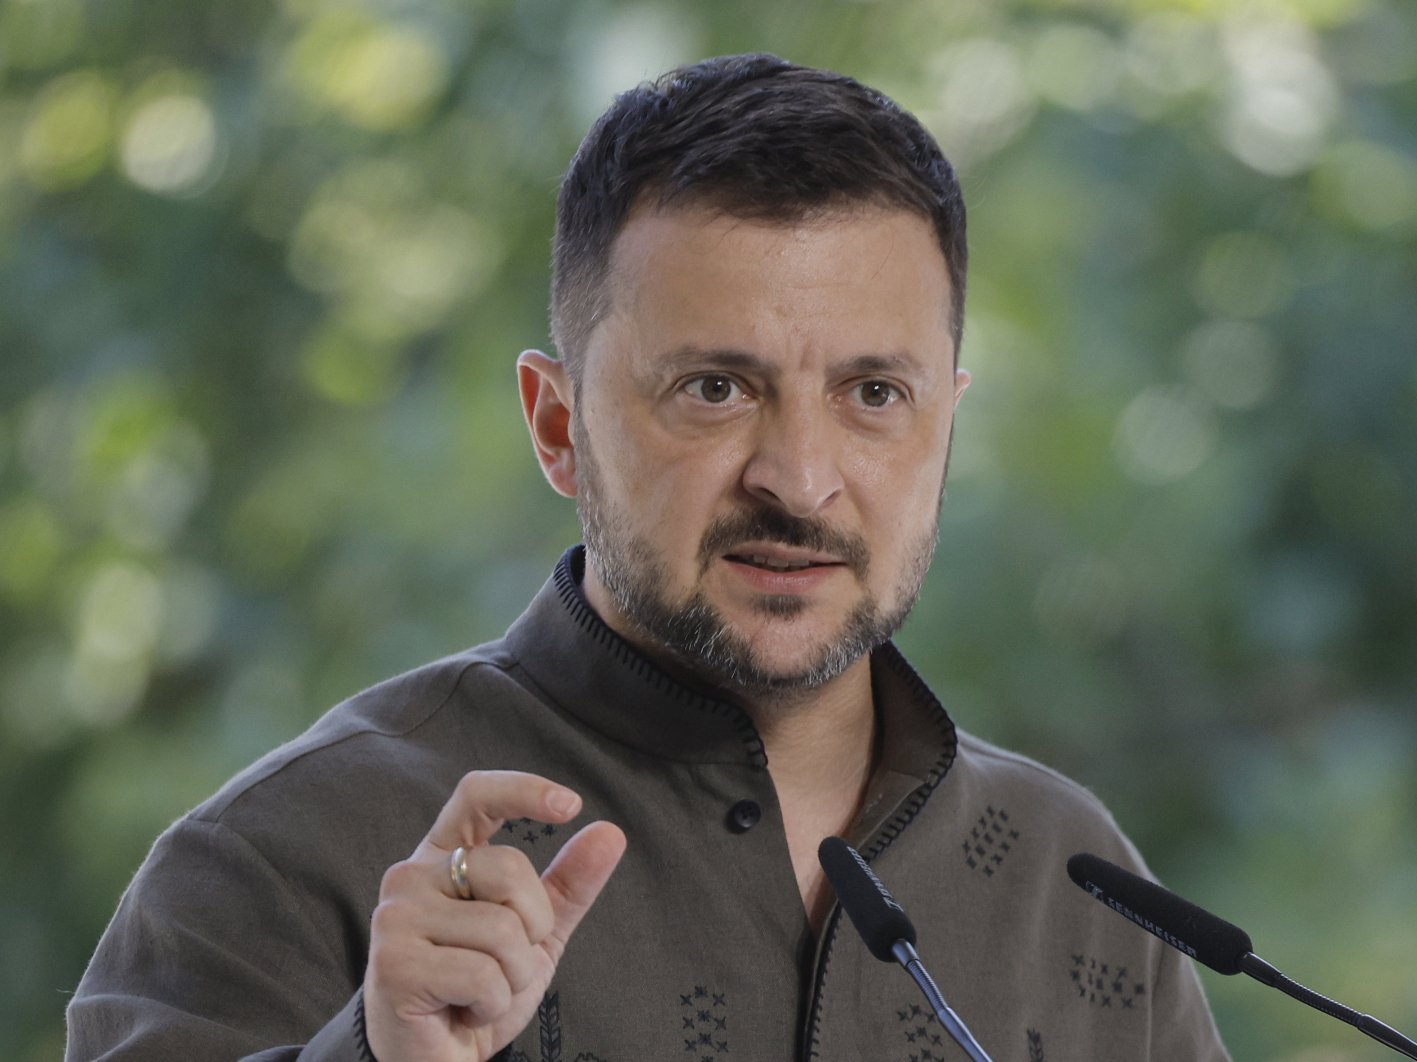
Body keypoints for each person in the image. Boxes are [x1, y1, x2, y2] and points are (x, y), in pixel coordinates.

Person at [68, 54, 1230, 1061]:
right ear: (557, 425)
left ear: (946, 426)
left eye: (873, 394)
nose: (800, 478)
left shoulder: (1077, 882)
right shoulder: (281, 858)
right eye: (714, 390)